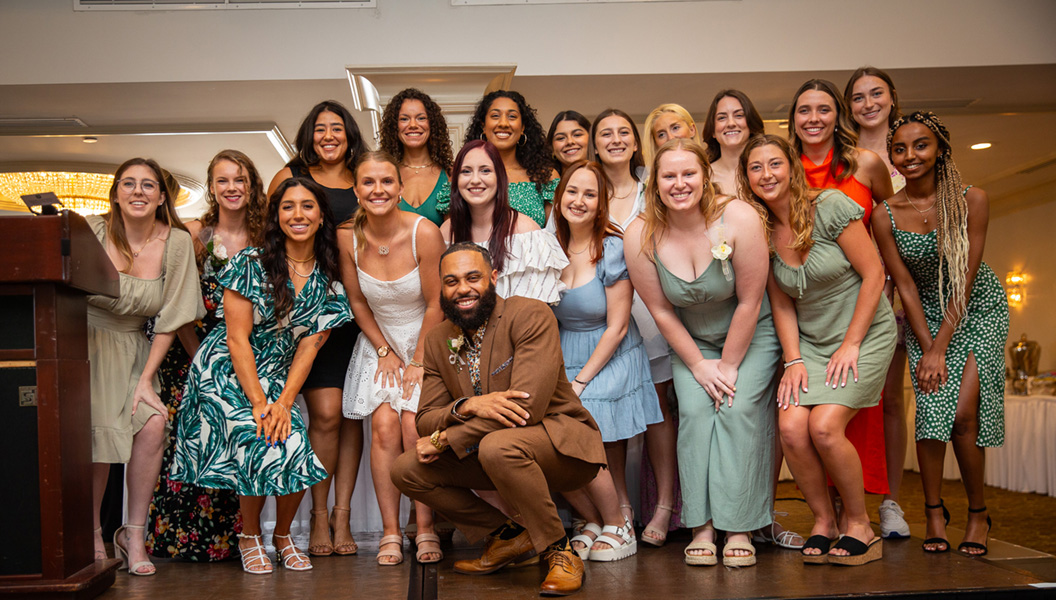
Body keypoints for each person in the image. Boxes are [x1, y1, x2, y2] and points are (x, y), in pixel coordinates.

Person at [391, 243, 607, 596]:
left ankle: (560, 552)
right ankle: (510, 538)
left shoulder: (531, 315)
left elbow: (527, 409)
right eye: (452, 281)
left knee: (498, 446)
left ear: (493, 278)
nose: (463, 288)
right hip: (490, 451)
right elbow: (427, 419)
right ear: (442, 288)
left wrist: (447, 438)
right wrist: (468, 406)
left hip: (561, 446)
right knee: (406, 469)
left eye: (473, 277)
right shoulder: (437, 340)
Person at [171, 177, 353, 574]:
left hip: (278, 371)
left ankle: (283, 535)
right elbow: (236, 338)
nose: (298, 214)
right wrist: (258, 403)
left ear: (322, 216)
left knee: (296, 446)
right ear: (277, 216)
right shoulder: (250, 263)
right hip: (225, 368)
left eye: (308, 206)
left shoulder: (330, 280)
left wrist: (285, 402)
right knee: (259, 436)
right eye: (288, 206)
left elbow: (309, 347)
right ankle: (249, 535)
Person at [741, 134, 896, 566]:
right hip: (810, 341)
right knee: (791, 427)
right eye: (756, 167)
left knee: (825, 427)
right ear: (747, 178)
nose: (767, 174)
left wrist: (851, 343)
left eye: (774, 163)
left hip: (863, 333)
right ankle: (824, 521)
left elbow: (873, 274)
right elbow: (781, 302)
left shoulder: (828, 206)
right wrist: (792, 359)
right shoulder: (760, 230)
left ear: (790, 165)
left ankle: (861, 524)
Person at [625, 139, 780, 568]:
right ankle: (702, 525)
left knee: (737, 408)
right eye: (668, 176)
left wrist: (728, 365)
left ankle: (740, 526)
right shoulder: (641, 233)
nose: (679, 184)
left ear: (705, 177)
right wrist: (698, 364)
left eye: (688, 174)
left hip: (749, 334)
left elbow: (750, 301)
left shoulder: (739, 217)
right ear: (654, 184)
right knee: (694, 415)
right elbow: (659, 309)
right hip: (692, 343)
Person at [871, 111, 1008, 556]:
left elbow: (965, 278)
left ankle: (978, 513)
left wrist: (942, 346)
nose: (910, 156)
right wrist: (928, 347)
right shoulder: (885, 213)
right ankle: (933, 512)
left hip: (977, 308)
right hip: (923, 313)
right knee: (932, 417)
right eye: (900, 148)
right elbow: (905, 284)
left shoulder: (972, 200)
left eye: (921, 145)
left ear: (940, 150)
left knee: (964, 417)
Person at [147, 150, 267, 561]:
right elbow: (177, 302)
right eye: (223, 181)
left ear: (252, 185)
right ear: (212, 187)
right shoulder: (195, 234)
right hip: (192, 353)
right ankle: (180, 542)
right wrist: (203, 359)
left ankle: (239, 541)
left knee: (239, 442)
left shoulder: (267, 237)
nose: (232, 188)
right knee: (190, 442)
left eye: (240, 179)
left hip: (248, 355)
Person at [88, 158, 205, 575]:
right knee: (98, 433)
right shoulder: (91, 230)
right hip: (83, 345)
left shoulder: (175, 242)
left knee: (154, 422)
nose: (138, 192)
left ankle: (132, 534)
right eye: (129, 184)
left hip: (140, 348)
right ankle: (91, 537)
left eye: (148, 185)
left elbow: (173, 317)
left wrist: (144, 380)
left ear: (161, 197)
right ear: (116, 193)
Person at [268, 100, 368, 557]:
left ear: (349, 134)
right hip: (309, 308)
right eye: (320, 129)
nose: (329, 136)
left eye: (338, 128)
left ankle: (342, 515)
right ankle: (317, 513)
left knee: (351, 415)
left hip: (359, 308)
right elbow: (269, 233)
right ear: (308, 134)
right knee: (325, 414)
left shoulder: (364, 172)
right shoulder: (289, 173)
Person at [789, 79, 895, 507]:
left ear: (838, 116)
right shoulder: (782, 169)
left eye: (824, 109)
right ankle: (830, 512)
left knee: (865, 411)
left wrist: (894, 291)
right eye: (804, 110)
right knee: (807, 421)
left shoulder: (866, 164)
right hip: (809, 313)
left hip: (865, 303)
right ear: (792, 120)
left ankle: (877, 505)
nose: (813, 118)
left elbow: (889, 229)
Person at [338, 151, 446, 565]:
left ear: (400, 188)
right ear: (356, 190)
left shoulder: (425, 232)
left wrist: (417, 359)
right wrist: (383, 351)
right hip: (378, 340)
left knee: (411, 425)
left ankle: (425, 528)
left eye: (387, 182)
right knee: (383, 427)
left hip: (425, 336)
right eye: (369, 182)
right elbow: (357, 300)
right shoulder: (347, 236)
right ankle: (389, 531)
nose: (378, 190)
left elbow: (437, 303)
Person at [551, 160, 660, 562]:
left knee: (586, 425)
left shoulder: (613, 248)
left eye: (589, 194)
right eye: (572, 192)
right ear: (560, 197)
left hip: (610, 352)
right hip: (565, 351)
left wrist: (579, 382)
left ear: (601, 205)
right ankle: (592, 519)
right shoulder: (550, 248)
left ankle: (620, 522)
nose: (578, 201)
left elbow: (616, 327)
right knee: (547, 434)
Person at [596, 108, 681, 545]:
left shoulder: (658, 185)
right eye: (605, 134)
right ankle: (622, 506)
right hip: (606, 318)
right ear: (595, 144)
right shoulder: (586, 190)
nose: (615, 139)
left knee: (659, 410)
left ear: (635, 141)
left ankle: (664, 505)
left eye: (623, 132)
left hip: (655, 311)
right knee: (610, 412)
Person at [441, 139, 566, 304]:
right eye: (466, 171)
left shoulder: (527, 233)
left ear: (500, 178)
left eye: (485, 170)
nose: (475, 180)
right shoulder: (446, 232)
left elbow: (535, 313)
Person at [441, 90, 560, 227]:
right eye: (495, 116)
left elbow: (554, 235)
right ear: (483, 126)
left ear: (522, 128)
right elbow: (453, 236)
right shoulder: (462, 175)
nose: (503, 123)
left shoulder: (545, 176)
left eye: (512, 116)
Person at [379, 88, 454, 227]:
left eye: (421, 118)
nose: (413, 125)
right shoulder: (383, 175)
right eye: (404, 119)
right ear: (394, 126)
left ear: (432, 124)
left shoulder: (451, 174)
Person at [700, 90, 766, 196]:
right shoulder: (702, 177)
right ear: (713, 130)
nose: (731, 123)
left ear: (751, 124)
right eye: (722, 118)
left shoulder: (768, 172)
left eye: (739, 115)